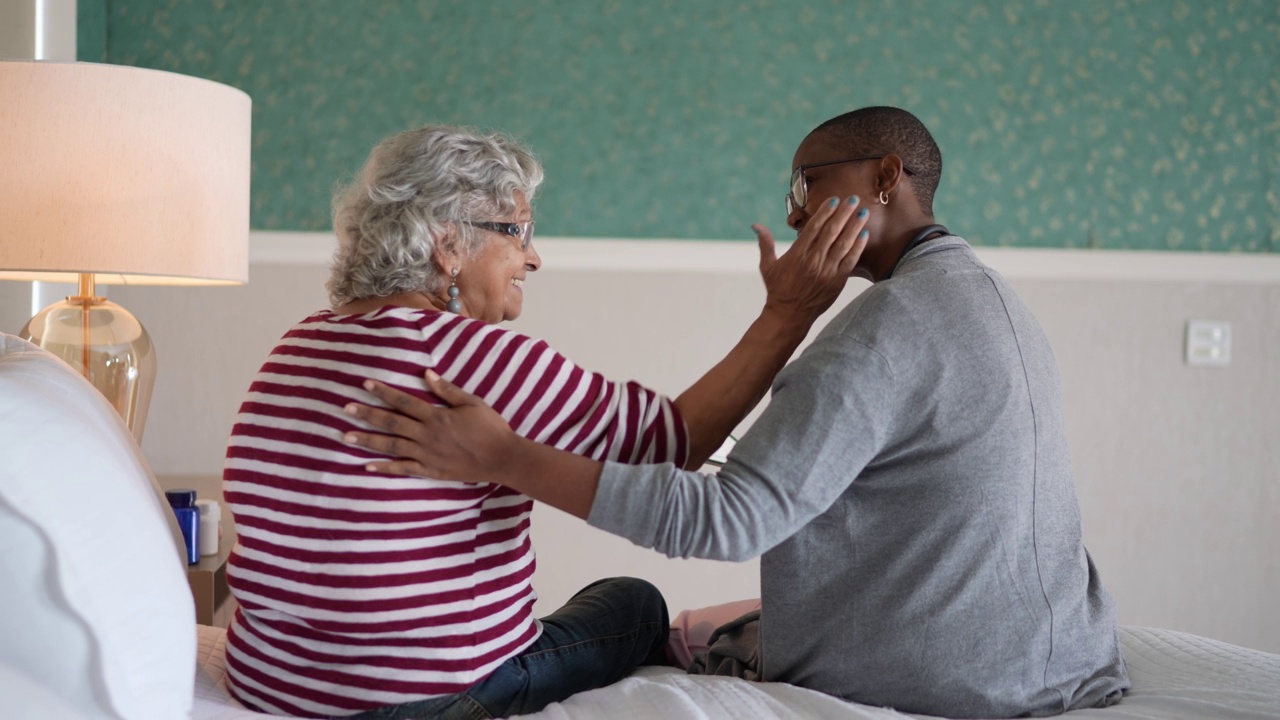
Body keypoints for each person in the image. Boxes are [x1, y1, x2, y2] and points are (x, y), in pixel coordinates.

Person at [341, 107, 1132, 718]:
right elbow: (685, 453)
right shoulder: (987, 298)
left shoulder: (891, 325)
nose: (792, 215)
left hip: (955, 678)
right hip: (1048, 655)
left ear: (886, 176)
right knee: (676, 614)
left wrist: (506, 457)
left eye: (806, 186)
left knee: (657, 613)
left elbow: (723, 514)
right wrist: (785, 319)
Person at [220, 124, 871, 718]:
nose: (534, 259)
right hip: (423, 698)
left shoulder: (297, 345)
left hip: (268, 684)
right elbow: (671, 447)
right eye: (518, 232)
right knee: (633, 602)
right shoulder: (473, 357)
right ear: (448, 244)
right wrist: (788, 313)